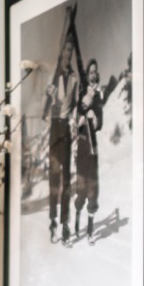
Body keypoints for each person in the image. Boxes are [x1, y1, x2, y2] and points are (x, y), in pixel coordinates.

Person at [42, 38, 80, 244]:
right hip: (54, 127)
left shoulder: (74, 78)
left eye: (70, 51)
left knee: (66, 178)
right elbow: (44, 107)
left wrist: (74, 118)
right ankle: (52, 222)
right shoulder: (52, 75)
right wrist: (48, 96)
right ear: (61, 53)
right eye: (65, 50)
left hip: (66, 127)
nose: (68, 54)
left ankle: (65, 223)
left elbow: (74, 103)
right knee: (53, 178)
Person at [74, 58, 103, 244]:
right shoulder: (82, 93)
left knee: (93, 187)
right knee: (82, 186)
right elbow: (76, 117)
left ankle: (91, 231)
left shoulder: (98, 95)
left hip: (93, 147)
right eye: (90, 71)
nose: (92, 74)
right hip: (82, 145)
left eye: (95, 72)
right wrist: (81, 120)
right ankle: (77, 222)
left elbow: (101, 120)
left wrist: (94, 119)